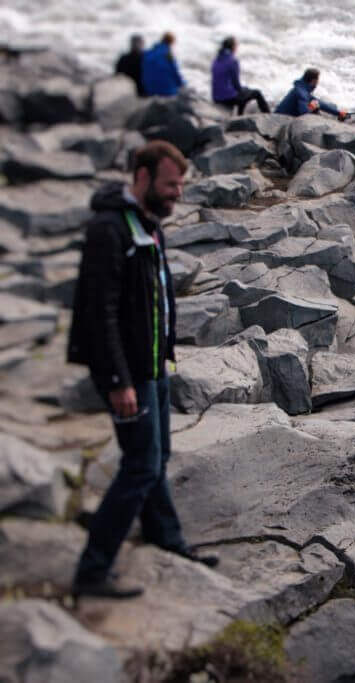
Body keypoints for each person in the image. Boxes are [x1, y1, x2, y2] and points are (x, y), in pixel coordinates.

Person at [67, 140, 217, 600]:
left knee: (157, 458)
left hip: (150, 365)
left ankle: (164, 537)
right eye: (171, 184)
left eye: (180, 185)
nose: (177, 194)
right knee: (140, 466)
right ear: (143, 177)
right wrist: (117, 380)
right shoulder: (109, 230)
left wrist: (162, 356)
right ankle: (92, 570)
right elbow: (100, 312)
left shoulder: (148, 225)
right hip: (126, 372)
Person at [211, 36, 269, 114]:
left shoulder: (216, 60)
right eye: (236, 45)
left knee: (243, 92)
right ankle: (268, 116)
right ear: (232, 47)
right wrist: (243, 90)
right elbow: (236, 84)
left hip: (216, 98)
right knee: (256, 93)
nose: (237, 48)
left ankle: (240, 116)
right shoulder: (233, 61)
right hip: (228, 98)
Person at [274, 68, 348, 121]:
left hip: (280, 117)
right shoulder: (302, 93)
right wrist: (311, 107)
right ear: (313, 81)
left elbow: (319, 103)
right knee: (315, 109)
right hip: (281, 121)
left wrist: (338, 112)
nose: (318, 82)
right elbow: (304, 113)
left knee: (329, 105)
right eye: (317, 80)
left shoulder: (302, 87)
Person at [141, 32, 185, 96]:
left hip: (148, 89)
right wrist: (183, 84)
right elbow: (175, 74)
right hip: (166, 91)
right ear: (171, 43)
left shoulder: (148, 52)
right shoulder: (168, 55)